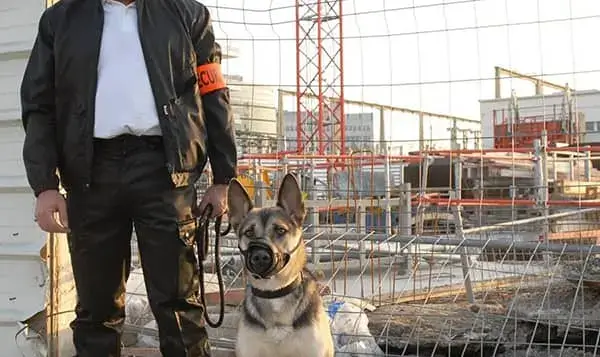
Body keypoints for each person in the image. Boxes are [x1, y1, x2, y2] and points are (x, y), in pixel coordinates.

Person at [20, 0, 237, 356]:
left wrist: (223, 177)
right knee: (95, 312)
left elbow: (214, 95)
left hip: (166, 173)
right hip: (89, 174)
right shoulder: (60, 19)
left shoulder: (188, 15)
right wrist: (44, 184)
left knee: (179, 306)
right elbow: (39, 105)